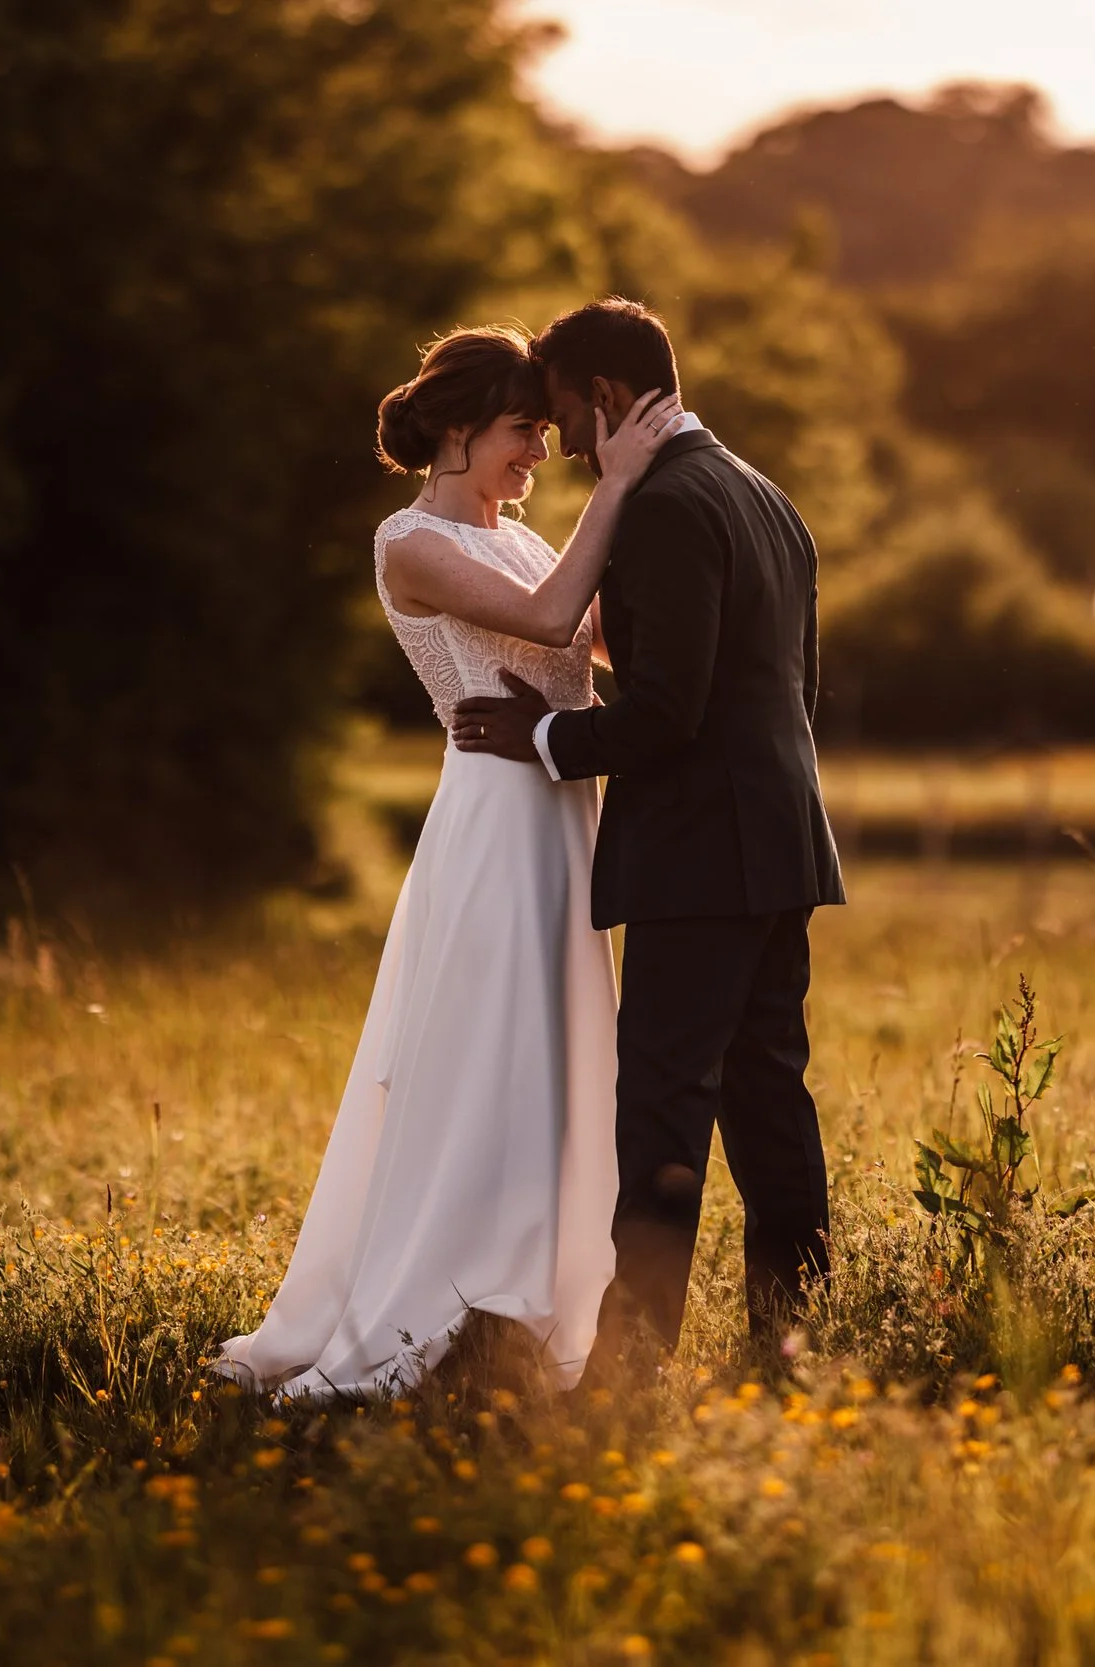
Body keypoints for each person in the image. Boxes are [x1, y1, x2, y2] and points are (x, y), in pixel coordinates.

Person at [214, 325, 682, 1397]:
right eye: (525, 431)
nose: (538, 452)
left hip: (564, 818)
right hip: (495, 822)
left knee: (557, 1056)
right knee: (487, 1053)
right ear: (461, 428)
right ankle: (443, 1303)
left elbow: (601, 640)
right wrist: (617, 485)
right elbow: (555, 616)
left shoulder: (521, 540)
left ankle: (532, 1301)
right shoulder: (409, 542)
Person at [456, 297, 846, 1367]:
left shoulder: (668, 504)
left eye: (564, 416)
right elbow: (785, 686)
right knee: (769, 1097)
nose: (565, 444)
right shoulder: (763, 494)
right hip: (776, 837)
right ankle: (790, 1341)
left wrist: (542, 733)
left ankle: (631, 1369)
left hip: (700, 855)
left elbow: (669, 709)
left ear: (609, 396)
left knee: (664, 1109)